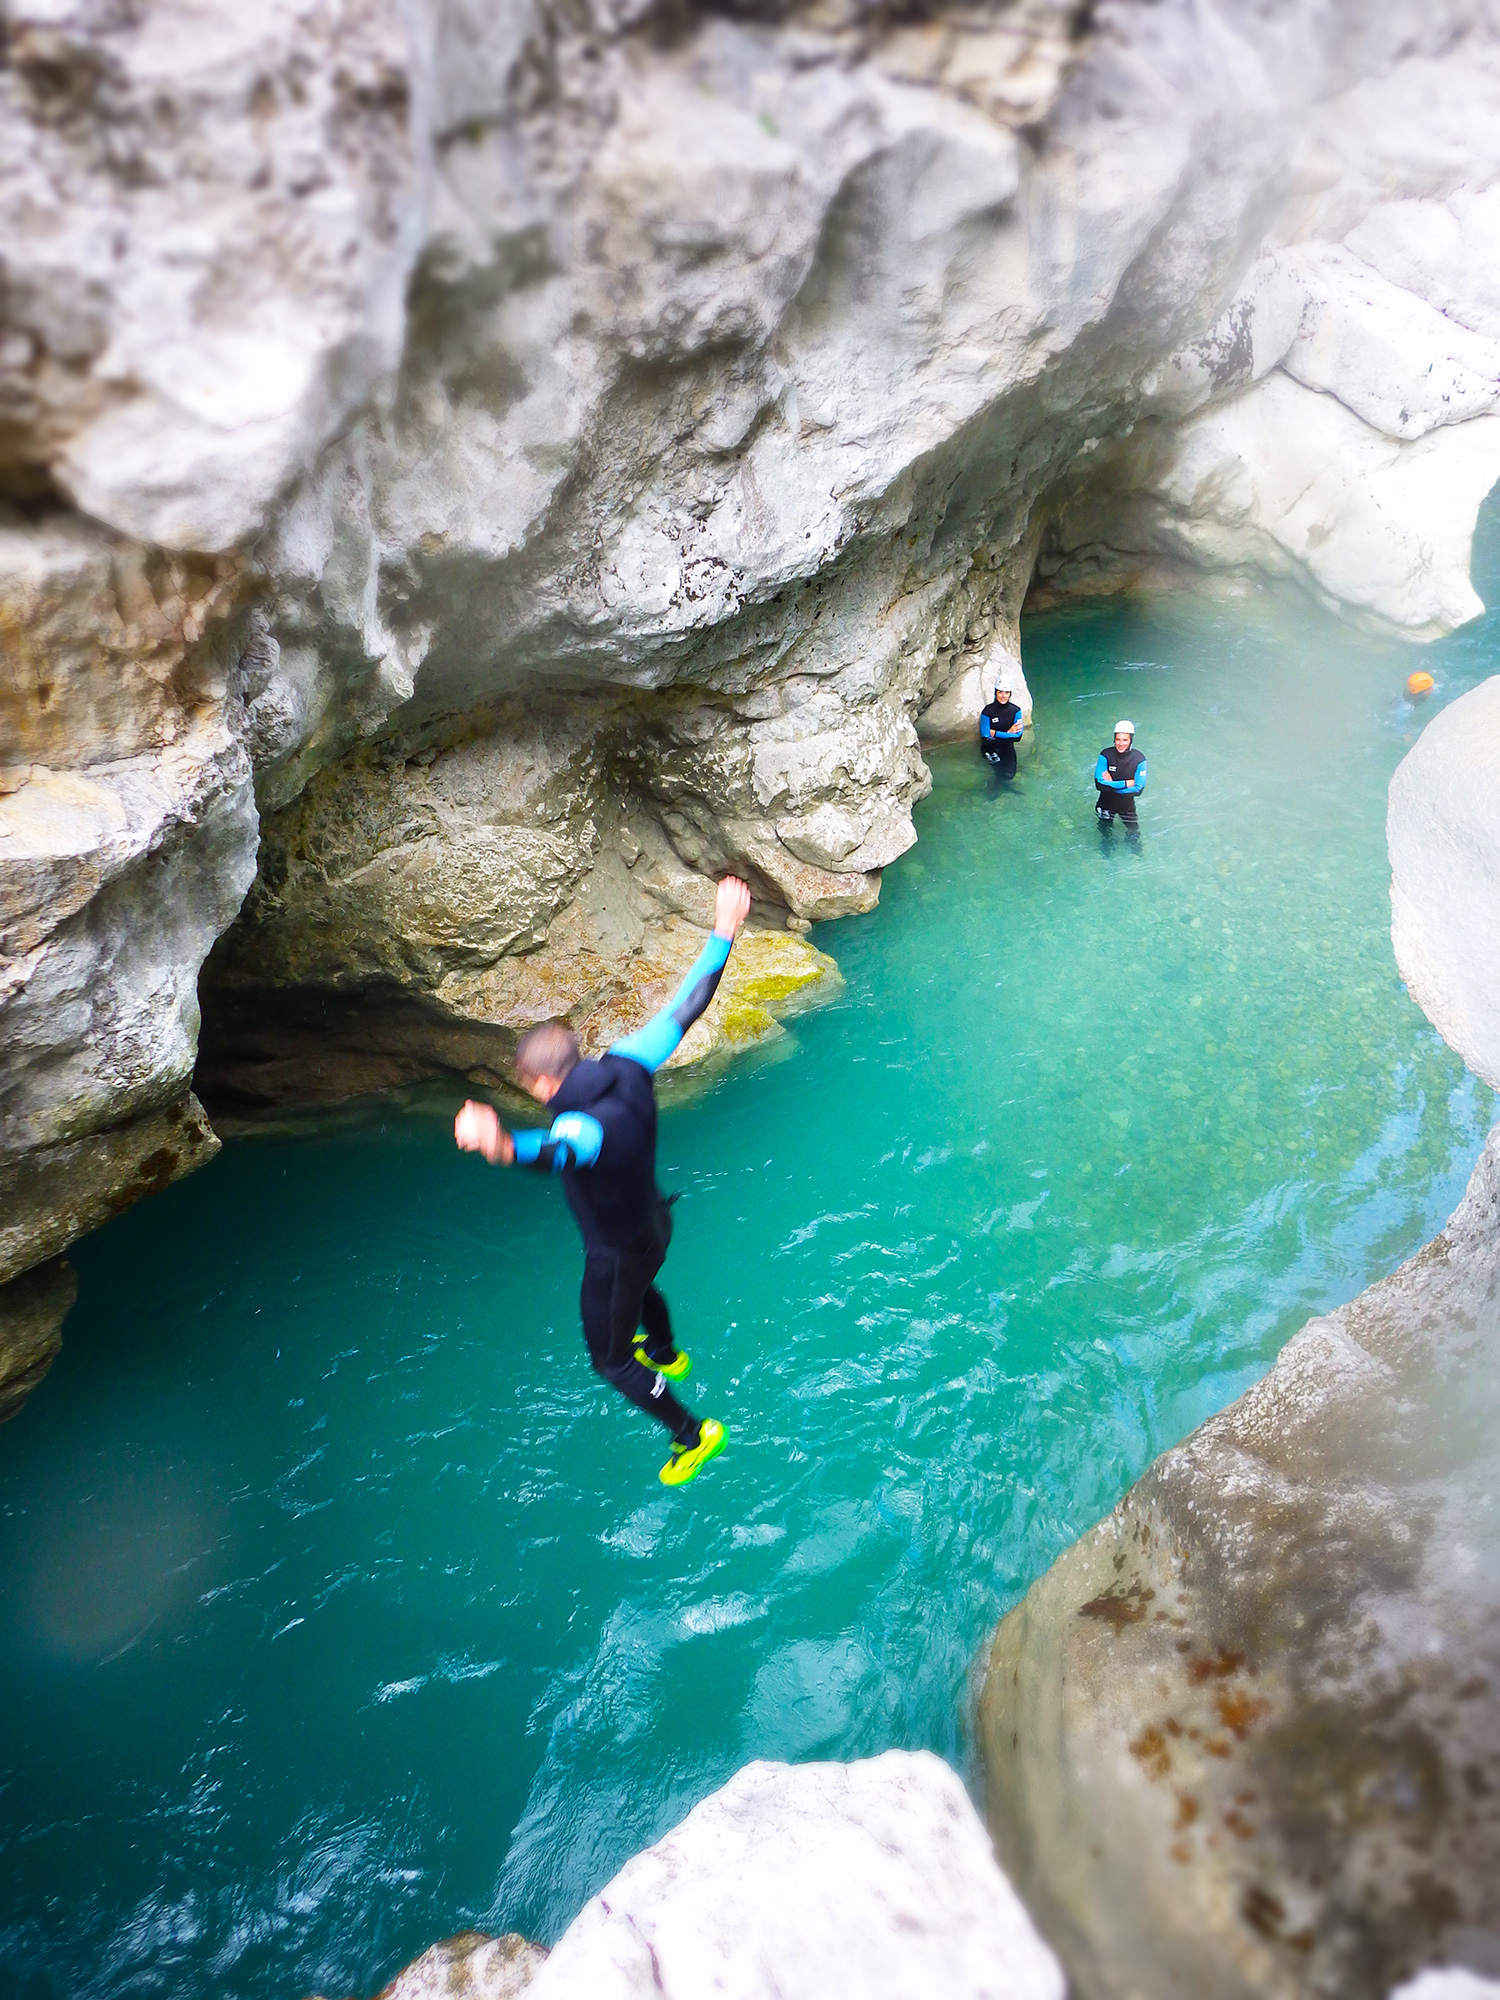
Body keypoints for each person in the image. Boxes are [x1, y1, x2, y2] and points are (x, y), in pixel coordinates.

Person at [454, 875, 752, 1487]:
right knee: (646, 1286)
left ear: (539, 1083)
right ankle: (668, 1352)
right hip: (654, 1223)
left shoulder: (578, 1128)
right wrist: (724, 930)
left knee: (611, 1360)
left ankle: (693, 1435)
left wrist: (500, 1144)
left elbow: (555, 1154)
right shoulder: (629, 1058)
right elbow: (688, 1005)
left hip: (616, 1253)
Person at [1095, 720, 1146, 838]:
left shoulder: (1139, 759)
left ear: (1130, 740)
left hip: (1127, 807)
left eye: (1125, 740)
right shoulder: (1106, 755)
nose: (1121, 743)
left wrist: (1111, 784)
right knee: (1105, 836)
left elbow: (1138, 790)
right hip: (1105, 805)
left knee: (1134, 834)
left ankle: (1135, 856)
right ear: (1114, 739)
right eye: (1118, 739)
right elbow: (1099, 785)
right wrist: (1127, 783)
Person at [979, 677, 1024, 781]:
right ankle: (994, 787)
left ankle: (1000, 784)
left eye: (1006, 692)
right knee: (1000, 771)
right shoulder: (987, 711)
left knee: (1009, 775)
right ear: (995, 693)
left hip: (1007, 748)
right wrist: (1008, 733)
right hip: (991, 749)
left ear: (1010, 694)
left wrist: (994, 733)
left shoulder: (1016, 711)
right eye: (1000, 692)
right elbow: (986, 739)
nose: (1003, 696)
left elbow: (1018, 737)